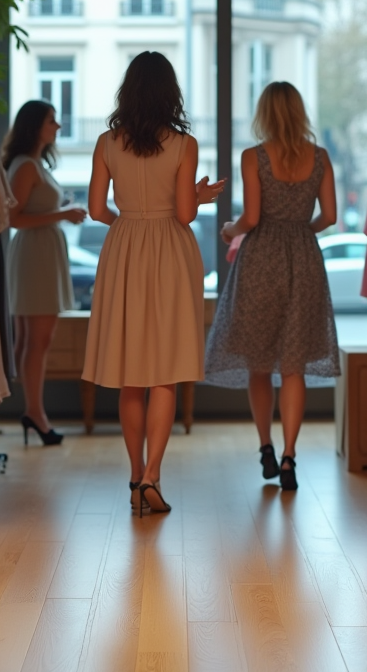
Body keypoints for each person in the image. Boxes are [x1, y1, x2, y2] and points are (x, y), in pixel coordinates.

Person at [82, 52, 225, 515]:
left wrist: (126, 222)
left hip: (123, 248)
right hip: (170, 251)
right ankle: (152, 476)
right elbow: (184, 214)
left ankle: (133, 475)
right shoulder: (184, 144)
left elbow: (97, 210)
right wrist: (199, 196)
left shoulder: (106, 142)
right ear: (170, 93)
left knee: (130, 373)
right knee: (165, 371)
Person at [204, 81, 340, 491]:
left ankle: (265, 446)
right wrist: (301, 230)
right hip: (304, 258)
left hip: (261, 259)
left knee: (259, 361)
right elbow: (330, 216)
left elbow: (252, 217)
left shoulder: (253, 157)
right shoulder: (320, 157)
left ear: (264, 112)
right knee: (293, 365)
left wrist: (229, 230)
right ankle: (289, 457)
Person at [4, 100, 87, 446]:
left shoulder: (33, 163)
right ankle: (35, 413)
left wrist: (61, 212)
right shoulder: (27, 166)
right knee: (37, 341)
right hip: (35, 255)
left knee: (31, 340)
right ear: (35, 125)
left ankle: (33, 411)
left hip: (39, 253)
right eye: (52, 121)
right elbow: (13, 218)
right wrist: (63, 214)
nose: (58, 126)